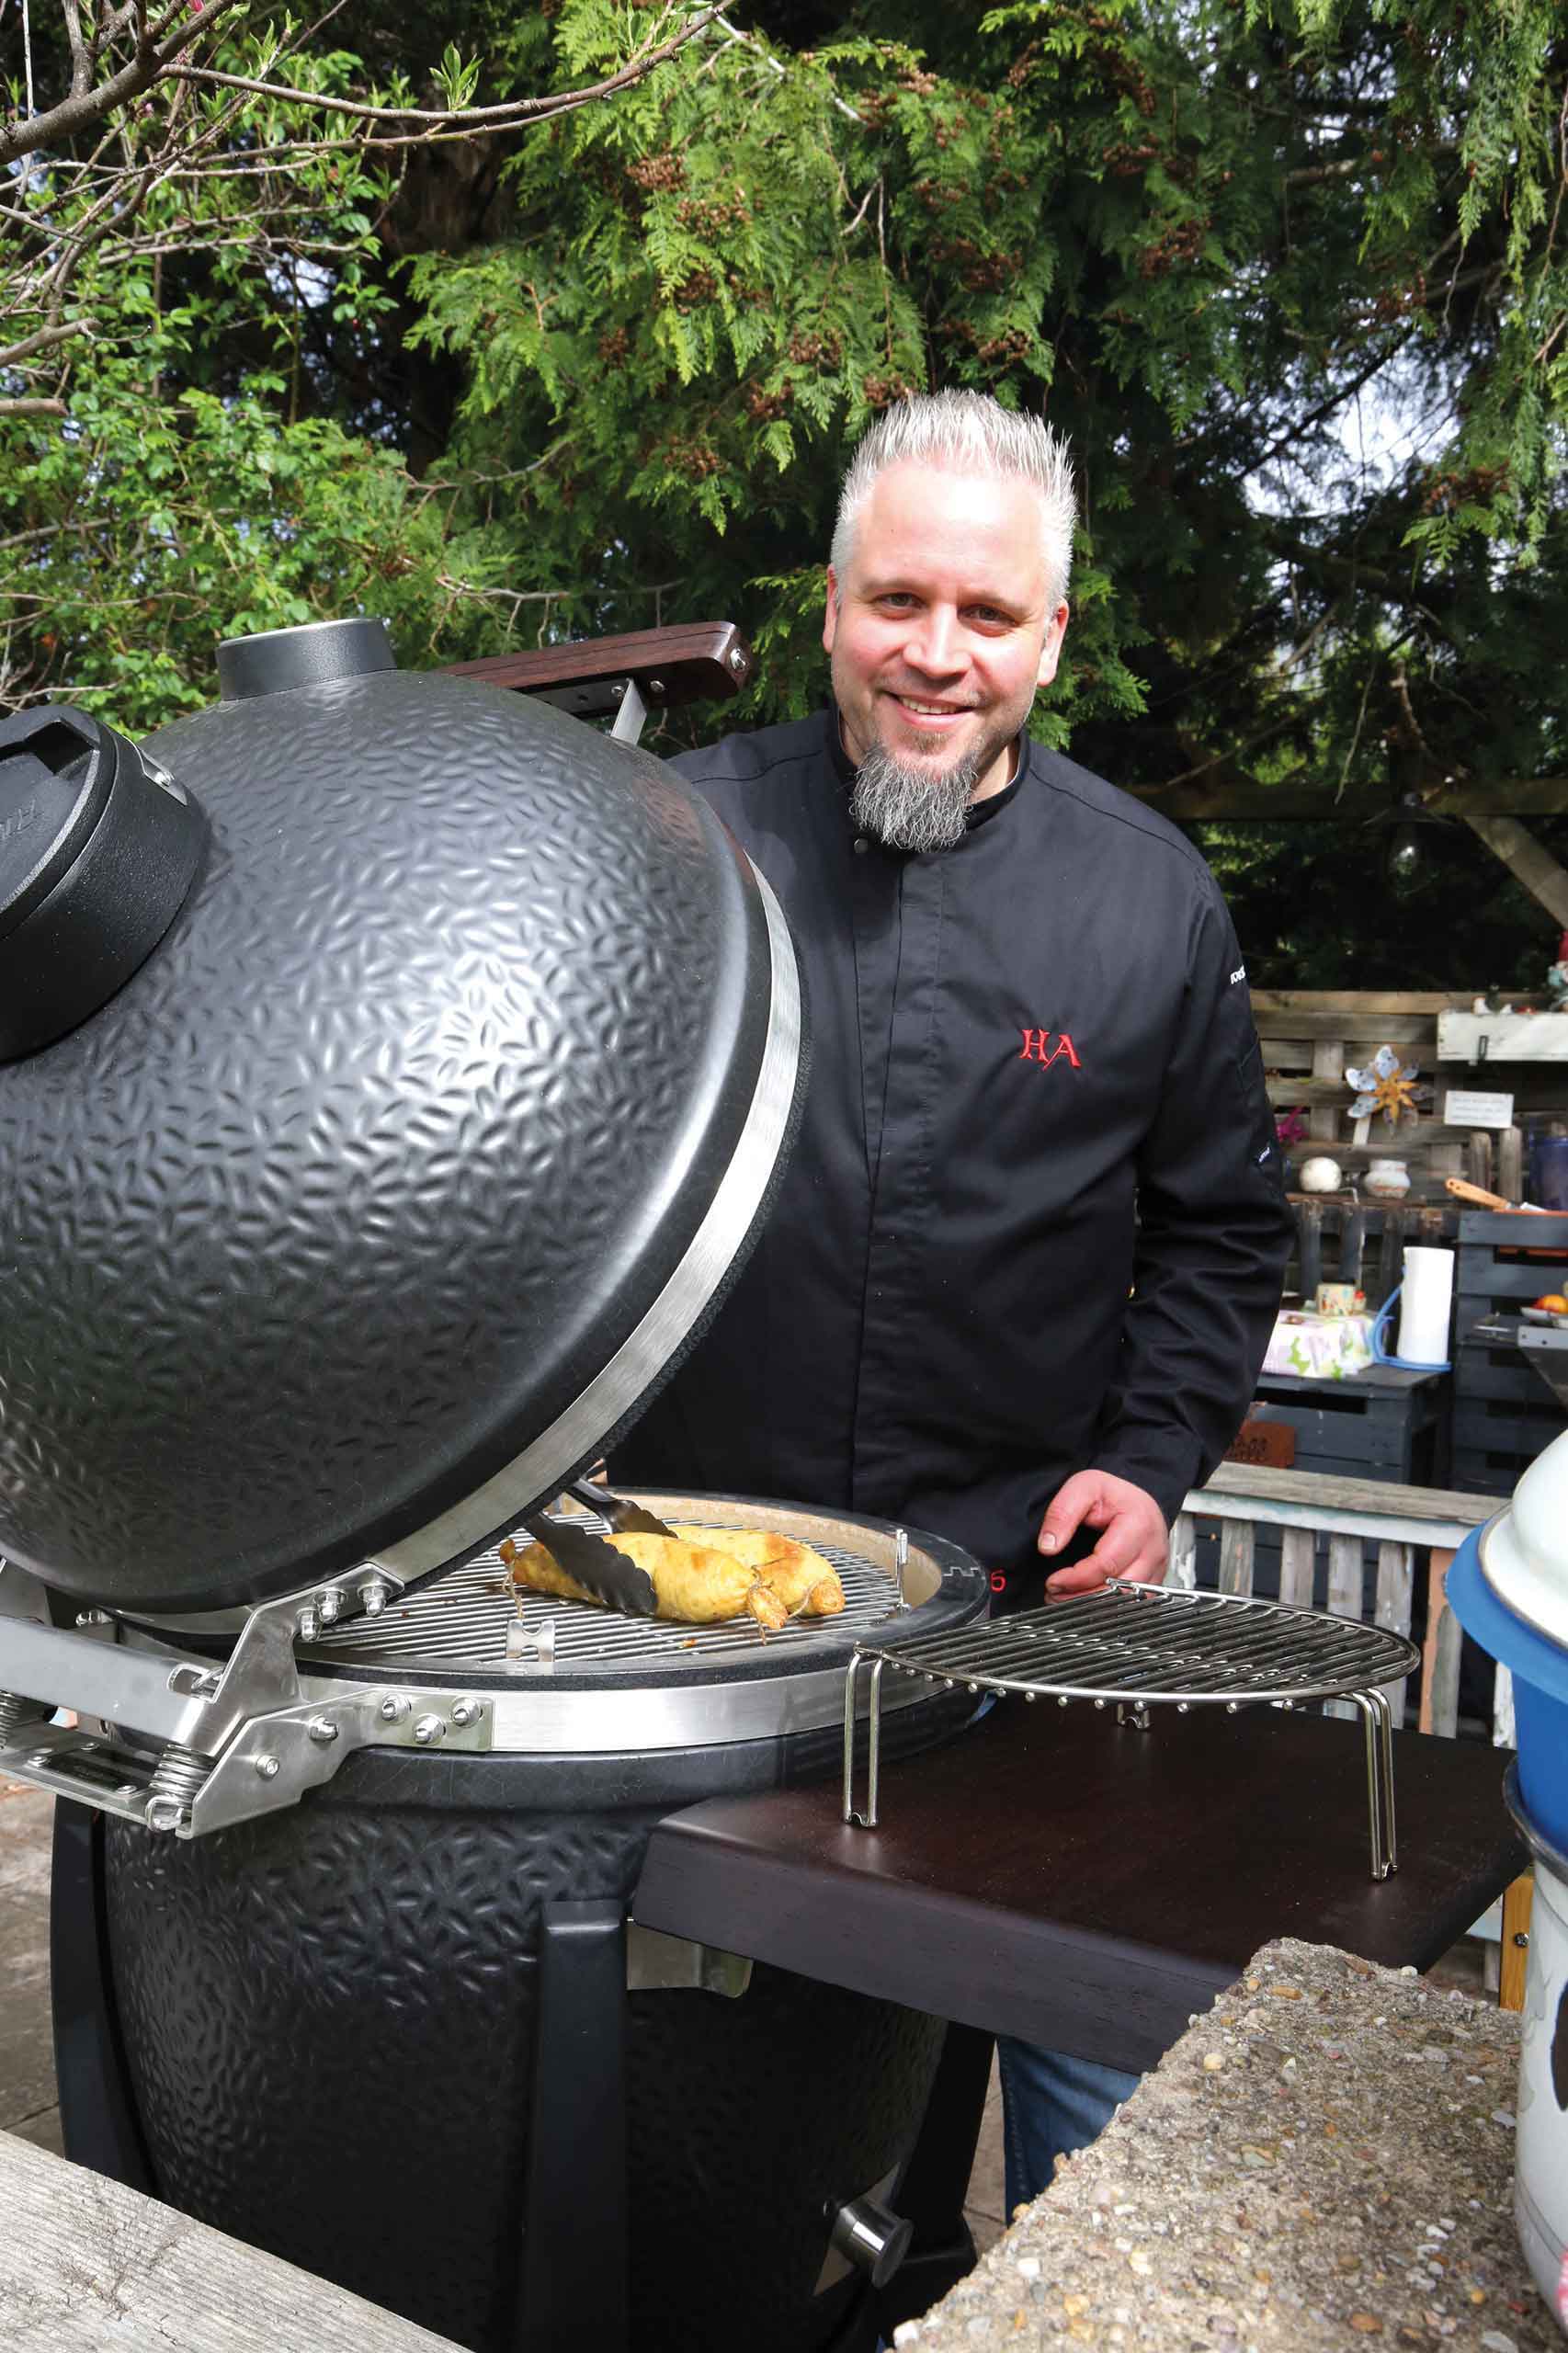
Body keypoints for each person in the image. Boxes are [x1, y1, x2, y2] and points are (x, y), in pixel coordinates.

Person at [615, 389, 1294, 2209]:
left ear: (1049, 637)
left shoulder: (1148, 898)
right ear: (832, 605)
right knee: (709, 2084)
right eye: (898, 601)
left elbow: (1222, 1229)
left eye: (987, 614)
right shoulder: (669, 838)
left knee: (1077, 2041)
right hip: (689, 1604)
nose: (937, 653)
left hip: (1016, 1613)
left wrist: (1152, 1458)